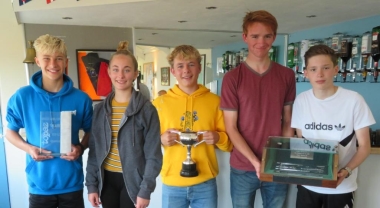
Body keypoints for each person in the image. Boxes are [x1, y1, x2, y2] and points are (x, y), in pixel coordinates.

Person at [5, 34, 93, 208]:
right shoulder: (23, 97)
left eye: (58, 58)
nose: (53, 64)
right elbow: (9, 132)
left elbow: (92, 131)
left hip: (71, 183)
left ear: (66, 62)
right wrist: (29, 148)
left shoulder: (81, 98)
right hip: (39, 185)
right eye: (47, 58)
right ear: (37, 61)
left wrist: (81, 148)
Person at [220, 10, 296, 208]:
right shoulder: (232, 78)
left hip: (276, 166)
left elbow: (288, 121)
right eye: (255, 36)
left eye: (267, 36)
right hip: (243, 166)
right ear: (245, 37)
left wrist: (280, 158)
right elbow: (231, 127)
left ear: (274, 37)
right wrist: (255, 162)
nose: (261, 42)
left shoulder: (287, 75)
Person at [291, 44, 375, 208]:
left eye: (326, 68)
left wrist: (346, 171)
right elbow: (302, 142)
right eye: (313, 69)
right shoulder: (301, 100)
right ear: (306, 73)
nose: (320, 74)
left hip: (341, 187)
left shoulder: (354, 100)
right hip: (308, 185)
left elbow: (365, 147)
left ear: (336, 69)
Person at [152, 45, 233, 208]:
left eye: (191, 64)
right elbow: (147, 142)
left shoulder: (215, 101)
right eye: (180, 66)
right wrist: (160, 139)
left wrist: (218, 137)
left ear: (199, 68)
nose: (186, 71)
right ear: (173, 71)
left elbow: (228, 144)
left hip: (205, 183)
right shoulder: (159, 103)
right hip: (172, 182)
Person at [85, 41, 162, 208]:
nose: (121, 75)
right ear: (109, 72)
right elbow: (94, 151)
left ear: (135, 74)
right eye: (116, 69)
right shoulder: (99, 110)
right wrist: (91, 185)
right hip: (106, 182)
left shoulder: (147, 110)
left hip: (133, 183)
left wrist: (145, 190)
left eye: (127, 70)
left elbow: (153, 155)